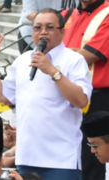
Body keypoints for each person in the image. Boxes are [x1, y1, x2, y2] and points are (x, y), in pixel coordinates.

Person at [0, 8, 92, 180]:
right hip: (26, 158)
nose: (43, 32)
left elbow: (81, 101)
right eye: (37, 27)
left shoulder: (74, 60)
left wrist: (53, 72)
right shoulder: (23, 60)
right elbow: (3, 96)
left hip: (60, 160)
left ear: (62, 31)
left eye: (50, 27)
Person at [61, 0, 109, 180]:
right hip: (65, 93)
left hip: (97, 99)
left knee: (92, 158)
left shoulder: (106, 13)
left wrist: (60, 58)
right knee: (69, 153)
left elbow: (90, 55)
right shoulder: (66, 14)